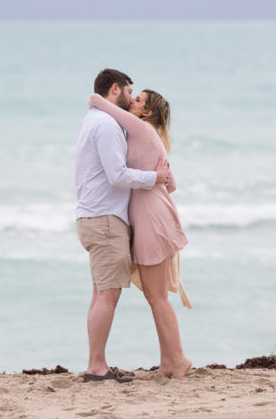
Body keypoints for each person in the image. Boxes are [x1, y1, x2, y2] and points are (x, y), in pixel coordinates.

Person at [88, 88, 192, 379]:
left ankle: (179, 359)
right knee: (154, 295)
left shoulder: (143, 128)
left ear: (146, 112)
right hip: (149, 214)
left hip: (151, 218)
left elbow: (110, 109)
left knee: (157, 296)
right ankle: (168, 363)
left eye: (137, 100)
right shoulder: (148, 134)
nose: (131, 102)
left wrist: (96, 99)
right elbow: (171, 184)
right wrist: (158, 178)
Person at [75, 69, 169, 383]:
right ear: (116, 89)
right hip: (104, 220)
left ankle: (96, 363)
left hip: (95, 217)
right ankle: (96, 368)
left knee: (100, 293)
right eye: (129, 91)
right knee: (108, 295)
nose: (131, 98)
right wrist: (154, 178)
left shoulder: (94, 120)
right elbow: (118, 175)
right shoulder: (106, 125)